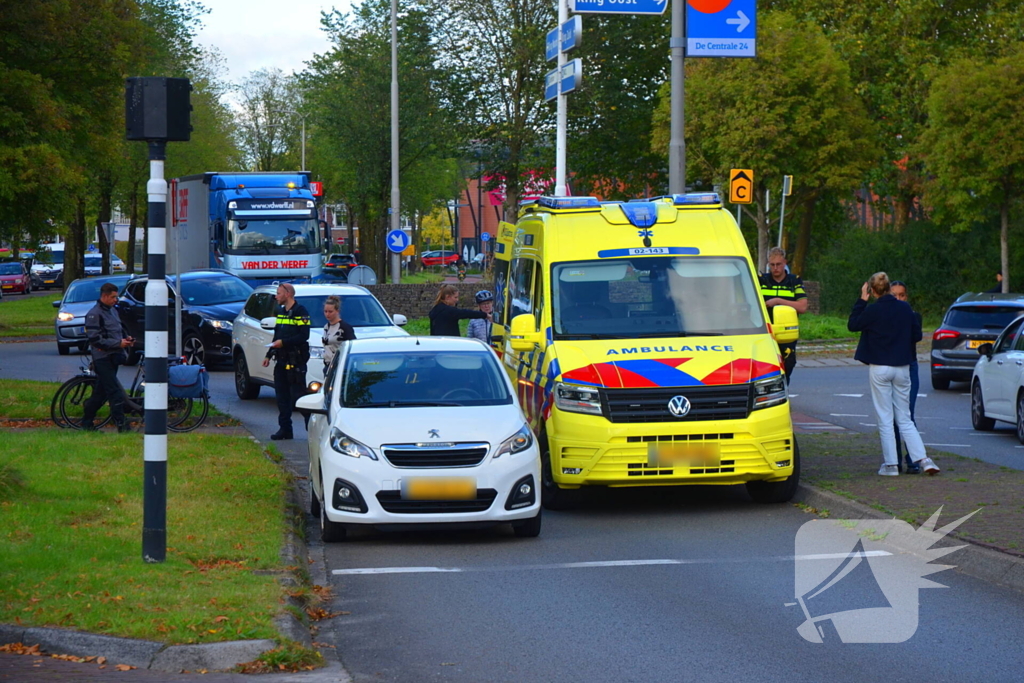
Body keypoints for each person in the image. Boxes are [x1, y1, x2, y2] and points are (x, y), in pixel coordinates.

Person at [848, 272, 939, 476]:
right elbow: (916, 335)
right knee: (905, 417)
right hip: (902, 367)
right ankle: (923, 459)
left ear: (871, 291)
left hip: (880, 367)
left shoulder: (872, 310)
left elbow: (853, 324)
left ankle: (891, 465)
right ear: (889, 288)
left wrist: (861, 301)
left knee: (885, 417)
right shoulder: (905, 308)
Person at [80, 282, 134, 432]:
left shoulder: (112, 311)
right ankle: (122, 426)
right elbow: (95, 339)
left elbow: (118, 329)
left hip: (114, 356)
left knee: (100, 393)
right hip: (102, 359)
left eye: (116, 297)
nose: (115, 300)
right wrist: (118, 343)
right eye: (113, 297)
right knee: (114, 392)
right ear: (104, 296)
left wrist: (126, 339)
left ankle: (86, 422)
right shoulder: (94, 314)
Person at [262, 283, 310, 440]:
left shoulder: (301, 312)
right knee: (282, 398)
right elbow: (277, 336)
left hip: (296, 362)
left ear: (288, 294)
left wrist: (284, 343)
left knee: (300, 398)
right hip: (281, 361)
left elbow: (304, 336)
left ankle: (311, 430)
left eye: (279, 293)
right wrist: (269, 355)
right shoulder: (281, 312)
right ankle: (285, 430)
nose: (276, 296)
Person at [759, 247, 807, 384]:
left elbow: (802, 306)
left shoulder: (794, 281)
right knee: (767, 363)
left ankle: (783, 387)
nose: (775, 268)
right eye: (772, 265)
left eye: (778, 264)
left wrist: (778, 301)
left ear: (785, 262)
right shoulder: (762, 280)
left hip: (787, 331)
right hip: (766, 330)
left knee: (789, 362)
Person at [890, 281, 922, 474]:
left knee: (908, 413)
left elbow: (915, 336)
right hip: (891, 367)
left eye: (902, 295)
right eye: (894, 295)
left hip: (909, 365)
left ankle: (913, 460)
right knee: (891, 416)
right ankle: (894, 459)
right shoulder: (884, 316)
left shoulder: (913, 316)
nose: (899, 299)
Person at [322, 295, 355, 371]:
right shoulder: (326, 327)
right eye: (325, 311)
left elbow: (352, 346)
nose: (327, 314)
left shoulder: (344, 327)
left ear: (337, 311)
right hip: (327, 365)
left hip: (339, 365)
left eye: (330, 312)